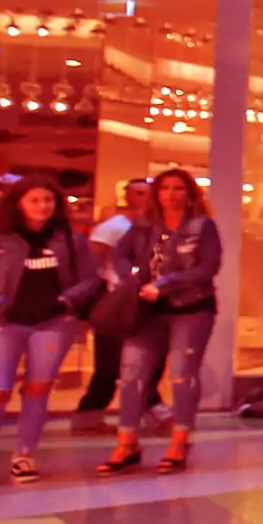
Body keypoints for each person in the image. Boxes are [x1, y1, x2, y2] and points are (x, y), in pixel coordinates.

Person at [101, 167, 223, 475]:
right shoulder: (144, 224)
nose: (171, 194)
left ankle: (180, 440)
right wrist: (135, 278)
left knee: (182, 375)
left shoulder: (202, 226)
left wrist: (164, 284)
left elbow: (207, 267)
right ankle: (127, 442)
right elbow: (120, 255)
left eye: (178, 188)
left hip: (191, 308)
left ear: (189, 193)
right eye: (165, 188)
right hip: (145, 308)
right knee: (131, 374)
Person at [0, 174, 102, 482]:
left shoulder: (69, 237)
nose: (42, 206)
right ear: (19, 203)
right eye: (34, 200)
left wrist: (66, 301)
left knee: (38, 387)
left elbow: (89, 279)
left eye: (48, 200)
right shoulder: (2, 237)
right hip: (6, 322)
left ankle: (24, 454)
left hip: (54, 322)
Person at [74, 176, 157, 426]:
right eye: (138, 193)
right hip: (117, 301)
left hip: (146, 299)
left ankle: (152, 409)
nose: (143, 198)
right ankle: (89, 415)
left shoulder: (155, 227)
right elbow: (92, 264)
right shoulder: (112, 227)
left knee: (143, 360)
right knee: (110, 361)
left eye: (147, 193)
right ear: (128, 197)